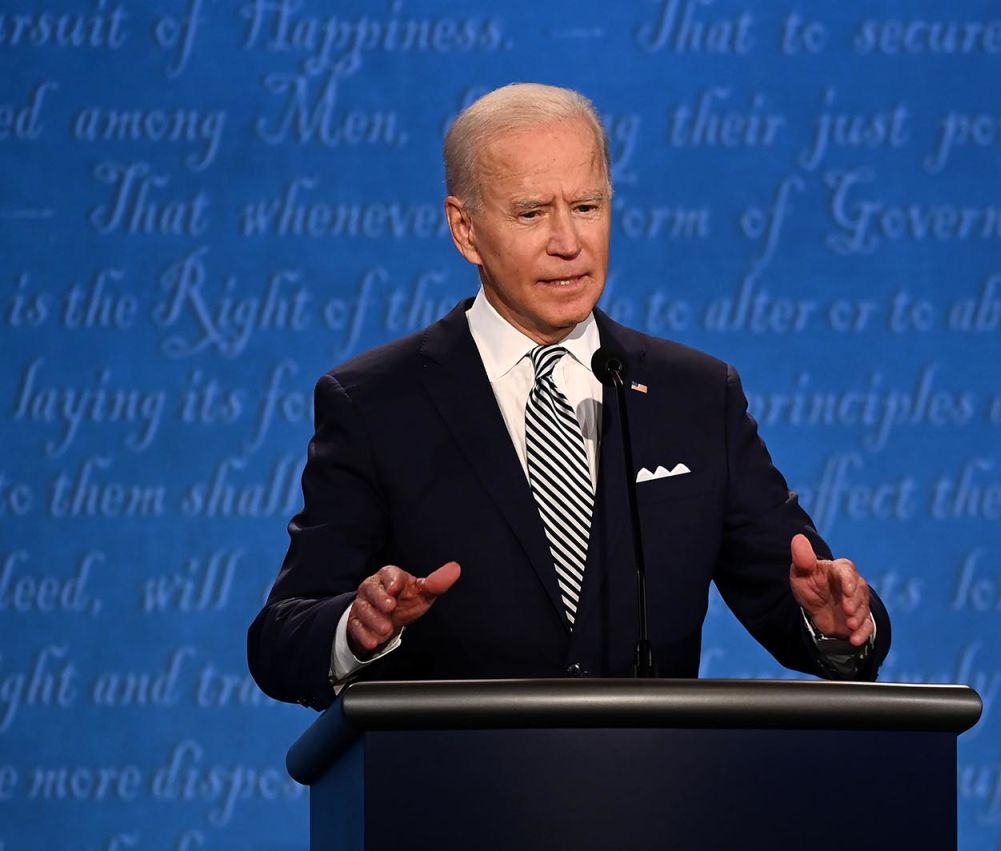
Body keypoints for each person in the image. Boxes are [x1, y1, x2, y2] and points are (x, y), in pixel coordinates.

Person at [247, 83, 890, 710]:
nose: (568, 242)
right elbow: (281, 637)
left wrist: (836, 625)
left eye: (586, 207)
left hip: (653, 798)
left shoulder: (694, 396)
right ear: (465, 230)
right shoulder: (375, 404)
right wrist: (355, 631)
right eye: (532, 213)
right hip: (450, 797)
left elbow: (800, 598)